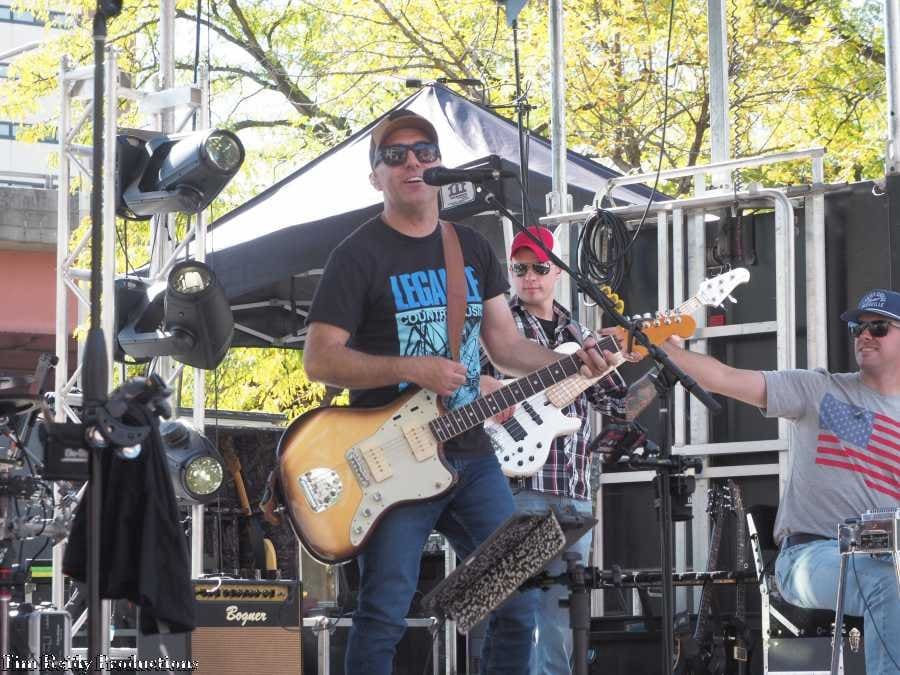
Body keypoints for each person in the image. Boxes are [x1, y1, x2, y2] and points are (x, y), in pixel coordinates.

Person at [301, 109, 615, 675]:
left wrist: (575, 362)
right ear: (375, 176)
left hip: (471, 455)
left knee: (518, 600)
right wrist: (412, 369)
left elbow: (507, 347)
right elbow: (319, 360)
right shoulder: (357, 255)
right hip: (394, 462)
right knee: (384, 613)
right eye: (395, 155)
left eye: (424, 152)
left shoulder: (469, 246)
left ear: (441, 165)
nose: (412, 163)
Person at [658, 287, 900, 675]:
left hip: (887, 555)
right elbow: (724, 377)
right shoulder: (820, 391)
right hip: (809, 557)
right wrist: (658, 347)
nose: (864, 335)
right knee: (887, 583)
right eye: (858, 328)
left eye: (879, 328)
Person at [481, 225, 661, 674]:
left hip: (573, 496)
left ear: (558, 271)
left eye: (540, 268)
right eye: (520, 268)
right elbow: (464, 388)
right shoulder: (496, 328)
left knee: (561, 626)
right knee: (515, 619)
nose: (530, 277)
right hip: (516, 486)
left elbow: (619, 408)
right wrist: (489, 388)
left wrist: (662, 368)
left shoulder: (583, 335)